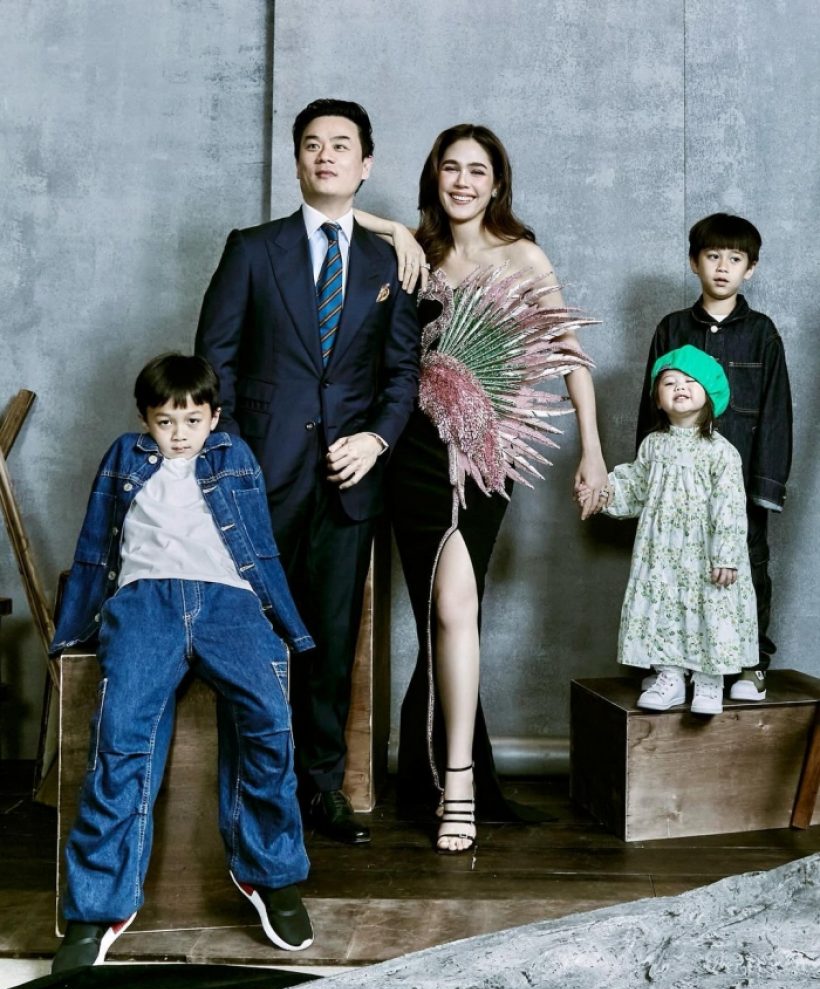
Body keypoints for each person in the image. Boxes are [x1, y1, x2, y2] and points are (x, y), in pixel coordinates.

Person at [356, 124, 608, 853]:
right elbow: (339, 217)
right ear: (433, 176)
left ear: (497, 184)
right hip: (411, 454)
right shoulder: (414, 249)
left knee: (457, 606)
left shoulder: (522, 254)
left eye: (477, 171)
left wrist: (591, 451)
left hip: (484, 453)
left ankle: (458, 783)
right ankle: (441, 771)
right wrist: (386, 226)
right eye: (450, 168)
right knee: (436, 616)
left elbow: (569, 354)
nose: (462, 182)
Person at [195, 99, 419, 846]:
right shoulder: (252, 249)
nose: (326, 156)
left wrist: (376, 442)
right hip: (261, 477)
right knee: (254, 634)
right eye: (313, 145)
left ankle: (320, 789)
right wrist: (233, 462)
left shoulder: (389, 264)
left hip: (350, 483)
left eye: (342, 145)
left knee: (328, 637)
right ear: (297, 161)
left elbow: (402, 375)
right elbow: (214, 364)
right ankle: (252, 787)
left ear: (366, 164)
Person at [50, 354, 314, 973]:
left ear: (214, 418)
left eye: (192, 421)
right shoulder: (124, 456)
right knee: (120, 736)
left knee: (270, 720)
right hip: (146, 600)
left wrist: (281, 619)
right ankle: (95, 908)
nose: (179, 434)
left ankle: (270, 874)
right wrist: (75, 626)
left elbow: (261, 546)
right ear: (144, 419)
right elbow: (95, 543)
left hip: (229, 601)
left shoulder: (233, 456)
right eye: (165, 421)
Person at [636, 213, 792, 702]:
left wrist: (765, 487)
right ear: (693, 262)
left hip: (738, 481)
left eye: (735, 258)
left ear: (751, 269)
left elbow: (777, 413)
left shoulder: (762, 333)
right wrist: (645, 476)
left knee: (746, 567)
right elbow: (650, 407)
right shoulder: (673, 328)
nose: (722, 267)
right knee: (676, 571)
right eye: (712, 256)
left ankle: (750, 664)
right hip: (679, 480)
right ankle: (674, 666)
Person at [599, 346, 758, 715]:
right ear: (658, 398)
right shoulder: (653, 445)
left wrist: (726, 556)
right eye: (669, 382)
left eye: (690, 381)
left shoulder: (721, 452)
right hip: (662, 552)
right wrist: (603, 493)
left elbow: (731, 507)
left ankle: (709, 681)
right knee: (664, 608)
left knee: (710, 609)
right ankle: (670, 678)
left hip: (706, 555)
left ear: (710, 395)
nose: (680, 387)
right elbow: (636, 487)